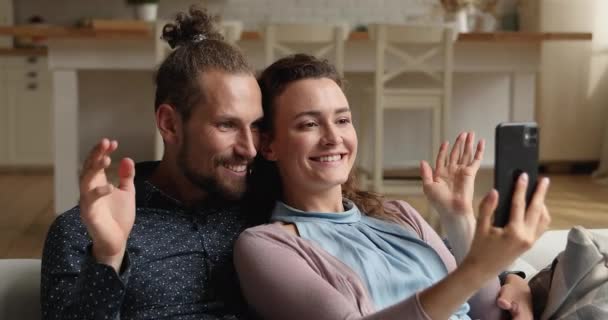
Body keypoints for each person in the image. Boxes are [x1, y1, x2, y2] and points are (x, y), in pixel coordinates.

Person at [234, 54, 552, 320]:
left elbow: (485, 311)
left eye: (343, 120)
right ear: (269, 145)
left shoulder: (399, 215)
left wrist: (458, 218)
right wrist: (482, 267)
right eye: (309, 124)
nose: (333, 137)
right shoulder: (265, 246)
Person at [40, 7, 263, 319]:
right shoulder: (80, 231)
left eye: (255, 125)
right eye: (226, 125)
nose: (250, 149)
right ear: (170, 124)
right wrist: (108, 256)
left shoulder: (265, 207)